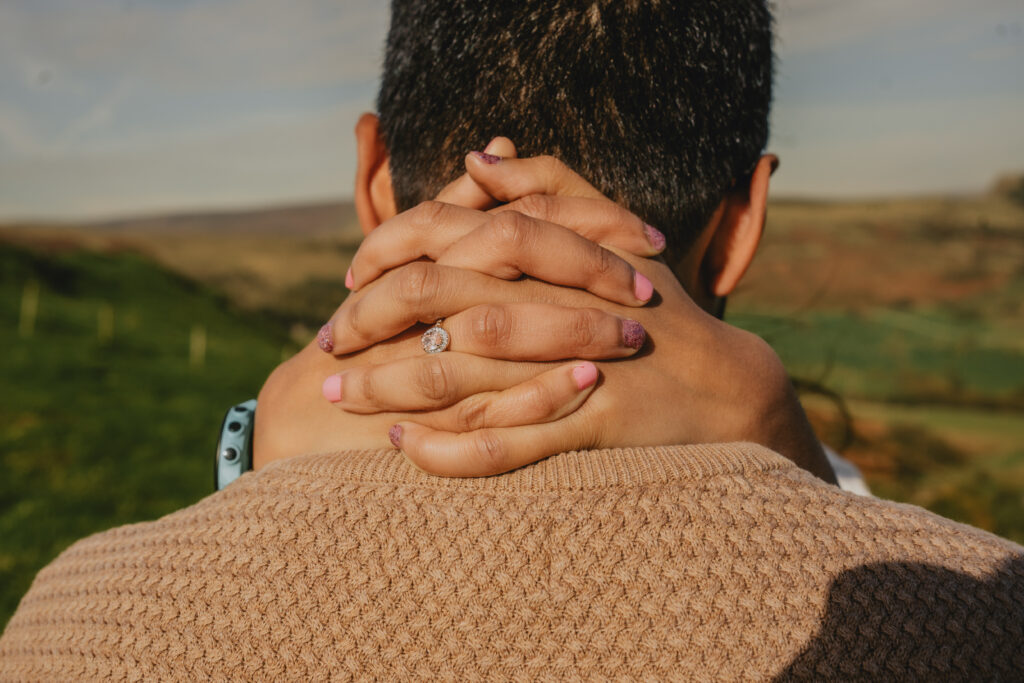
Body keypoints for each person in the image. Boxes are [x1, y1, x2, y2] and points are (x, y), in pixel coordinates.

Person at [2, 1, 1022, 679]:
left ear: (372, 177)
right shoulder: (984, 619)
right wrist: (784, 444)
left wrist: (252, 457)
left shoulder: (64, 626)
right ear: (744, 217)